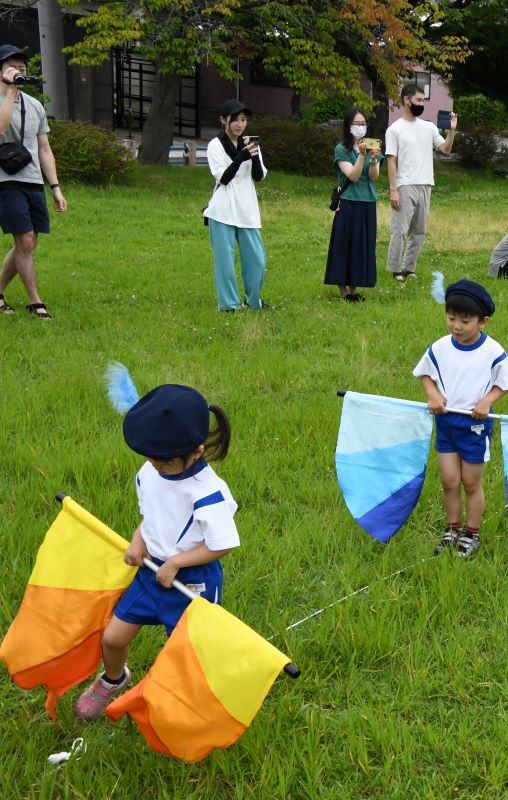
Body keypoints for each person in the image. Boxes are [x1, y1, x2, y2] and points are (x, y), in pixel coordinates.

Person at [75, 384, 238, 720]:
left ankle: (192, 701)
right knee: (113, 638)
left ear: (196, 452)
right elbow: (153, 516)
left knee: (188, 654)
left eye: (162, 462)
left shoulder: (209, 493)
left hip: (192, 584)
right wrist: (140, 539)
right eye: (150, 458)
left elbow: (223, 544)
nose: (154, 466)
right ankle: (114, 679)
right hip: (151, 573)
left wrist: (177, 562)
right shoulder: (151, 471)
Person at [414, 280, 508, 558]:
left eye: (465, 321)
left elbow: (504, 383)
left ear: (483, 321)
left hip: (475, 427)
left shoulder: (492, 351)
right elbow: (425, 373)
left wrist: (486, 402)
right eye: (451, 318)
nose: (457, 326)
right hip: (446, 423)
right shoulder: (441, 347)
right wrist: (432, 394)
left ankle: (472, 533)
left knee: (471, 483)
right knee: (449, 480)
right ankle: (452, 528)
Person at [0, 45, 66, 320]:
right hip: (5, 180)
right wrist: (10, 90)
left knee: (27, 243)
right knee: (25, 241)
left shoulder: (35, 105)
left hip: (33, 180)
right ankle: (35, 302)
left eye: (23, 66)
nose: (20, 69)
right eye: (13, 65)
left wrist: (55, 188)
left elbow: (44, 149)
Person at [384, 83, 456, 282]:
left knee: (419, 231)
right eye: (418, 100)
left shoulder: (429, 127)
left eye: (423, 100)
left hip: (426, 184)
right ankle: (395, 269)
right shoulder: (395, 130)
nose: (421, 103)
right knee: (400, 229)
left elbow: (445, 149)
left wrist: (451, 131)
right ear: (407, 101)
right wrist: (394, 189)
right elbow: (391, 160)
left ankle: (409, 268)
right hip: (405, 184)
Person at [204, 98, 267, 312]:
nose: (240, 124)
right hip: (222, 210)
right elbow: (223, 177)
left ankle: (253, 301)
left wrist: (254, 156)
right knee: (225, 263)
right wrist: (241, 157)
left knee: (257, 260)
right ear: (223, 120)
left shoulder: (250, 143)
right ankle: (229, 305)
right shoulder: (215, 145)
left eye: (243, 119)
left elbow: (258, 176)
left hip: (247, 209)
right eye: (235, 120)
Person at [324, 108, 380, 302]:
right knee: (344, 244)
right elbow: (353, 176)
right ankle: (343, 291)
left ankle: (354, 290)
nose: (360, 127)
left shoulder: (372, 147)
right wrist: (362, 156)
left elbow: (373, 177)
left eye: (363, 123)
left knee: (361, 246)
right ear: (348, 126)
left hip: (367, 203)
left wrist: (373, 160)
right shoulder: (342, 149)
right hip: (348, 203)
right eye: (356, 124)